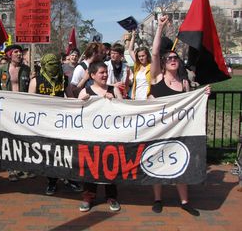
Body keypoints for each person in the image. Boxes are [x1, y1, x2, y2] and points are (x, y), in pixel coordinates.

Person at [149, 15, 209, 217]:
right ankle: (158, 199)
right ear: (164, 63)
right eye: (170, 59)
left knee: (180, 163)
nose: (173, 60)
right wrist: (160, 27)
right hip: (159, 130)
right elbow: (155, 52)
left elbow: (191, 105)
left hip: (178, 131)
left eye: (176, 58)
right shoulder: (157, 77)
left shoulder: (183, 83)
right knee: (158, 163)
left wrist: (203, 95)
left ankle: (184, 201)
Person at [28, 53, 83, 195]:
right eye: (50, 65)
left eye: (55, 65)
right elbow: (28, 102)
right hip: (44, 123)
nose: (53, 68)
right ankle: (52, 181)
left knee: (65, 151)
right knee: (49, 152)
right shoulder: (36, 81)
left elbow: (71, 98)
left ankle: (69, 178)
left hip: (61, 121)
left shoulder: (63, 79)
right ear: (44, 66)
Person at [77, 61, 122, 212]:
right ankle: (88, 197)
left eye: (105, 72)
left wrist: (114, 101)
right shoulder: (85, 91)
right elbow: (75, 114)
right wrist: (82, 102)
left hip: (111, 137)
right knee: (91, 168)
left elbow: (125, 111)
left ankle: (111, 196)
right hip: (91, 138)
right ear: (92, 75)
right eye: (101, 73)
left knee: (110, 166)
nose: (104, 75)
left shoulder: (114, 90)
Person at [0, 44, 35, 181]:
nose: (19, 54)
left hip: (22, 109)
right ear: (9, 54)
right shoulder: (2, 70)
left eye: (20, 52)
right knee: (9, 139)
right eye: (16, 52)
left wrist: (34, 78)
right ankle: (11, 169)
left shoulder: (27, 69)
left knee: (23, 138)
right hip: (7, 109)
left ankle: (24, 167)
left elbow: (32, 87)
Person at [128, 30, 152, 100]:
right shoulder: (138, 66)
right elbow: (130, 50)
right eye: (139, 56)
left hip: (147, 98)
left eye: (143, 56)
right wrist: (133, 36)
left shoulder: (151, 66)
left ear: (147, 55)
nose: (141, 58)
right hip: (136, 97)